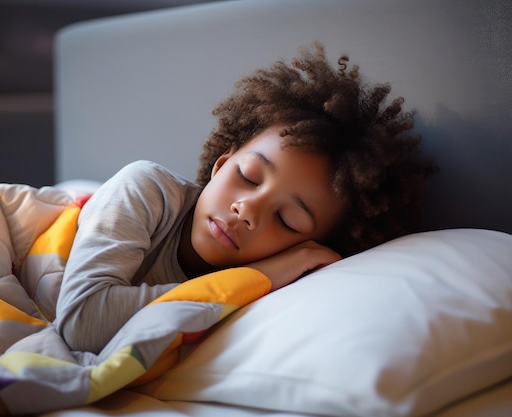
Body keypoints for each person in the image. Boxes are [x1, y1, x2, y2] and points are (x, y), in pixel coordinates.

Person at [55, 42, 437, 353]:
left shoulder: (273, 300)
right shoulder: (147, 189)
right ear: (222, 164)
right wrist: (259, 275)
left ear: (309, 245)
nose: (247, 209)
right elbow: (82, 324)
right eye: (248, 176)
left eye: (287, 220)